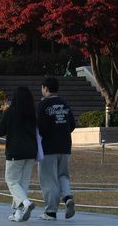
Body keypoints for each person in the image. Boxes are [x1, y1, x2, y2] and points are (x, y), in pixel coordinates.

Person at [37, 77, 77, 220]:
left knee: (49, 179)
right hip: (65, 146)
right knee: (63, 176)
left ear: (45, 88)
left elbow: (39, 127)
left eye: (42, 88)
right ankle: (67, 197)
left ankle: (50, 212)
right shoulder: (64, 104)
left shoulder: (43, 105)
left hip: (48, 147)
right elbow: (72, 124)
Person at [0, 86, 37, 222]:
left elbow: (0, 131)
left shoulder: (10, 112)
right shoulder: (32, 112)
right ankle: (18, 214)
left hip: (15, 151)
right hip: (31, 151)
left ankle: (26, 203)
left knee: (11, 181)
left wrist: (1, 113)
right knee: (22, 183)